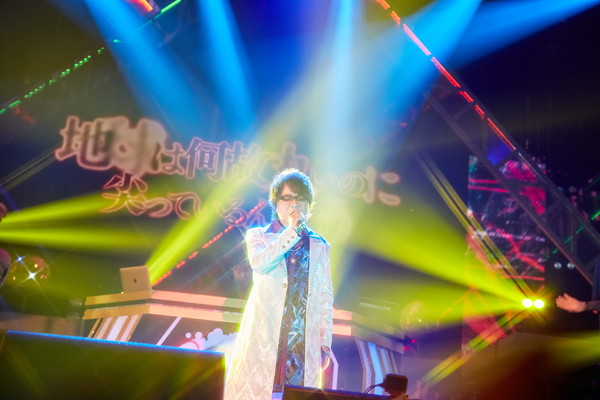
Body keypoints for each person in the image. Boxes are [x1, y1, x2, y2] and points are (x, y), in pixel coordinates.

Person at [224, 168, 334, 400]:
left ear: (309, 204)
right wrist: (292, 230)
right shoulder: (259, 236)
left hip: (301, 340)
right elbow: (260, 263)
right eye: (287, 197)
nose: (294, 203)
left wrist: (324, 342)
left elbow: (325, 296)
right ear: (276, 203)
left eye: (301, 198)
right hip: (266, 334)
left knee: (298, 394)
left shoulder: (319, 245)